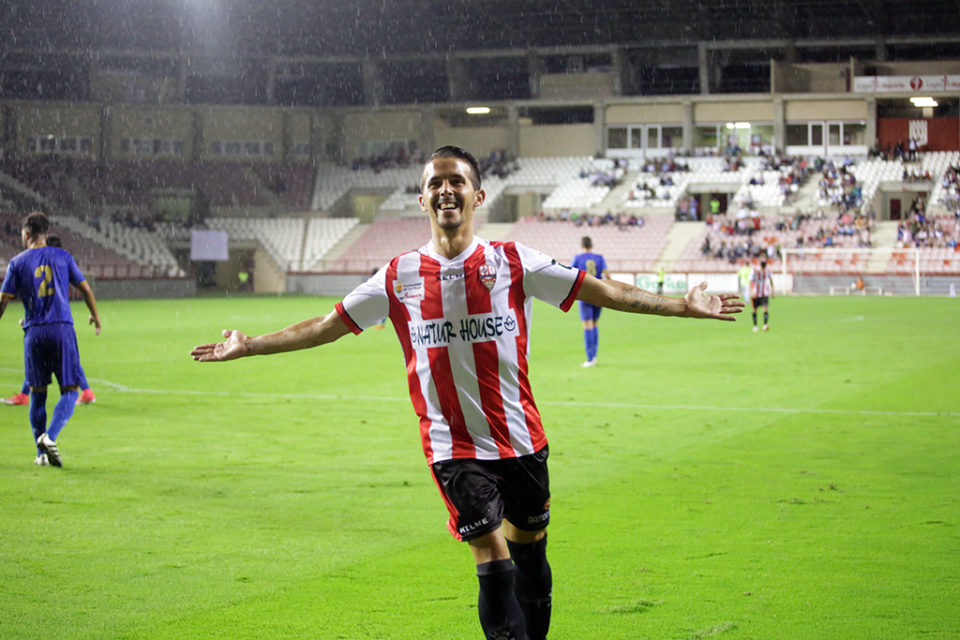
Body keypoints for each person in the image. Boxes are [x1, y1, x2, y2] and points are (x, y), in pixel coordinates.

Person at [191, 146, 743, 640]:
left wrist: (680, 304)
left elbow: (602, 290)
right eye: (434, 183)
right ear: (422, 200)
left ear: (477, 195)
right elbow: (326, 325)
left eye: (455, 180)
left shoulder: (512, 261)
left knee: (530, 556)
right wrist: (253, 345)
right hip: (453, 449)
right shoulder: (399, 276)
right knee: (494, 559)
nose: (445, 190)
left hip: (522, 440)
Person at [0, 212, 102, 467]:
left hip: (34, 333)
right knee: (70, 391)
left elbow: (3, 301)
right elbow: (85, 289)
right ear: (46, 234)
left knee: (37, 395)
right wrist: (95, 316)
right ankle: (50, 437)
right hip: (62, 330)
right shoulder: (63, 257)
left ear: (25, 234)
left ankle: (40, 454)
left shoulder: (17, 262)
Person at [2, 235, 96, 406]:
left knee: (42, 357)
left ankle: (85, 391)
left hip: (53, 321)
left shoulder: (41, 264)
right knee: (59, 358)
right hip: (59, 321)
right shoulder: (59, 264)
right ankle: (26, 394)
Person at [570, 236, 609, 367]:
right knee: (595, 324)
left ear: (582, 245)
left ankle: (590, 358)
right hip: (599, 294)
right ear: (592, 245)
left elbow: (570, 274)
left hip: (585, 294)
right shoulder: (600, 258)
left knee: (587, 326)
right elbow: (607, 276)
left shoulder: (577, 258)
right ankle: (595, 356)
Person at [749, 258, 774, 332]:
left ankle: (765, 324)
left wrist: (772, 290)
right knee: (754, 309)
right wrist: (751, 291)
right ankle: (755, 326)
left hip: (764, 292)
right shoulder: (754, 270)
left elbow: (770, 279)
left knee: (765, 308)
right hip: (755, 292)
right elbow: (750, 281)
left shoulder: (768, 270)